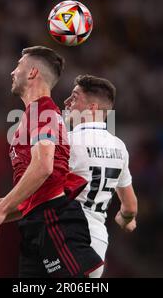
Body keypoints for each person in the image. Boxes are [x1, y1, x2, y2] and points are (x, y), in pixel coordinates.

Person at [0, 46, 103, 278]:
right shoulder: (33, 115)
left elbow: (43, 167)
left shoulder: (43, 112)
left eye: (18, 65)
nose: (12, 72)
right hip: (37, 225)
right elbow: (37, 194)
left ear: (32, 72)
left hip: (55, 222)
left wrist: (1, 210)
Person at [64, 75, 138, 277]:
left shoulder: (66, 142)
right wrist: (125, 219)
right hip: (97, 243)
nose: (66, 103)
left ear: (93, 108)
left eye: (74, 97)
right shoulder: (119, 147)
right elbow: (130, 206)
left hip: (65, 238)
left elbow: (38, 193)